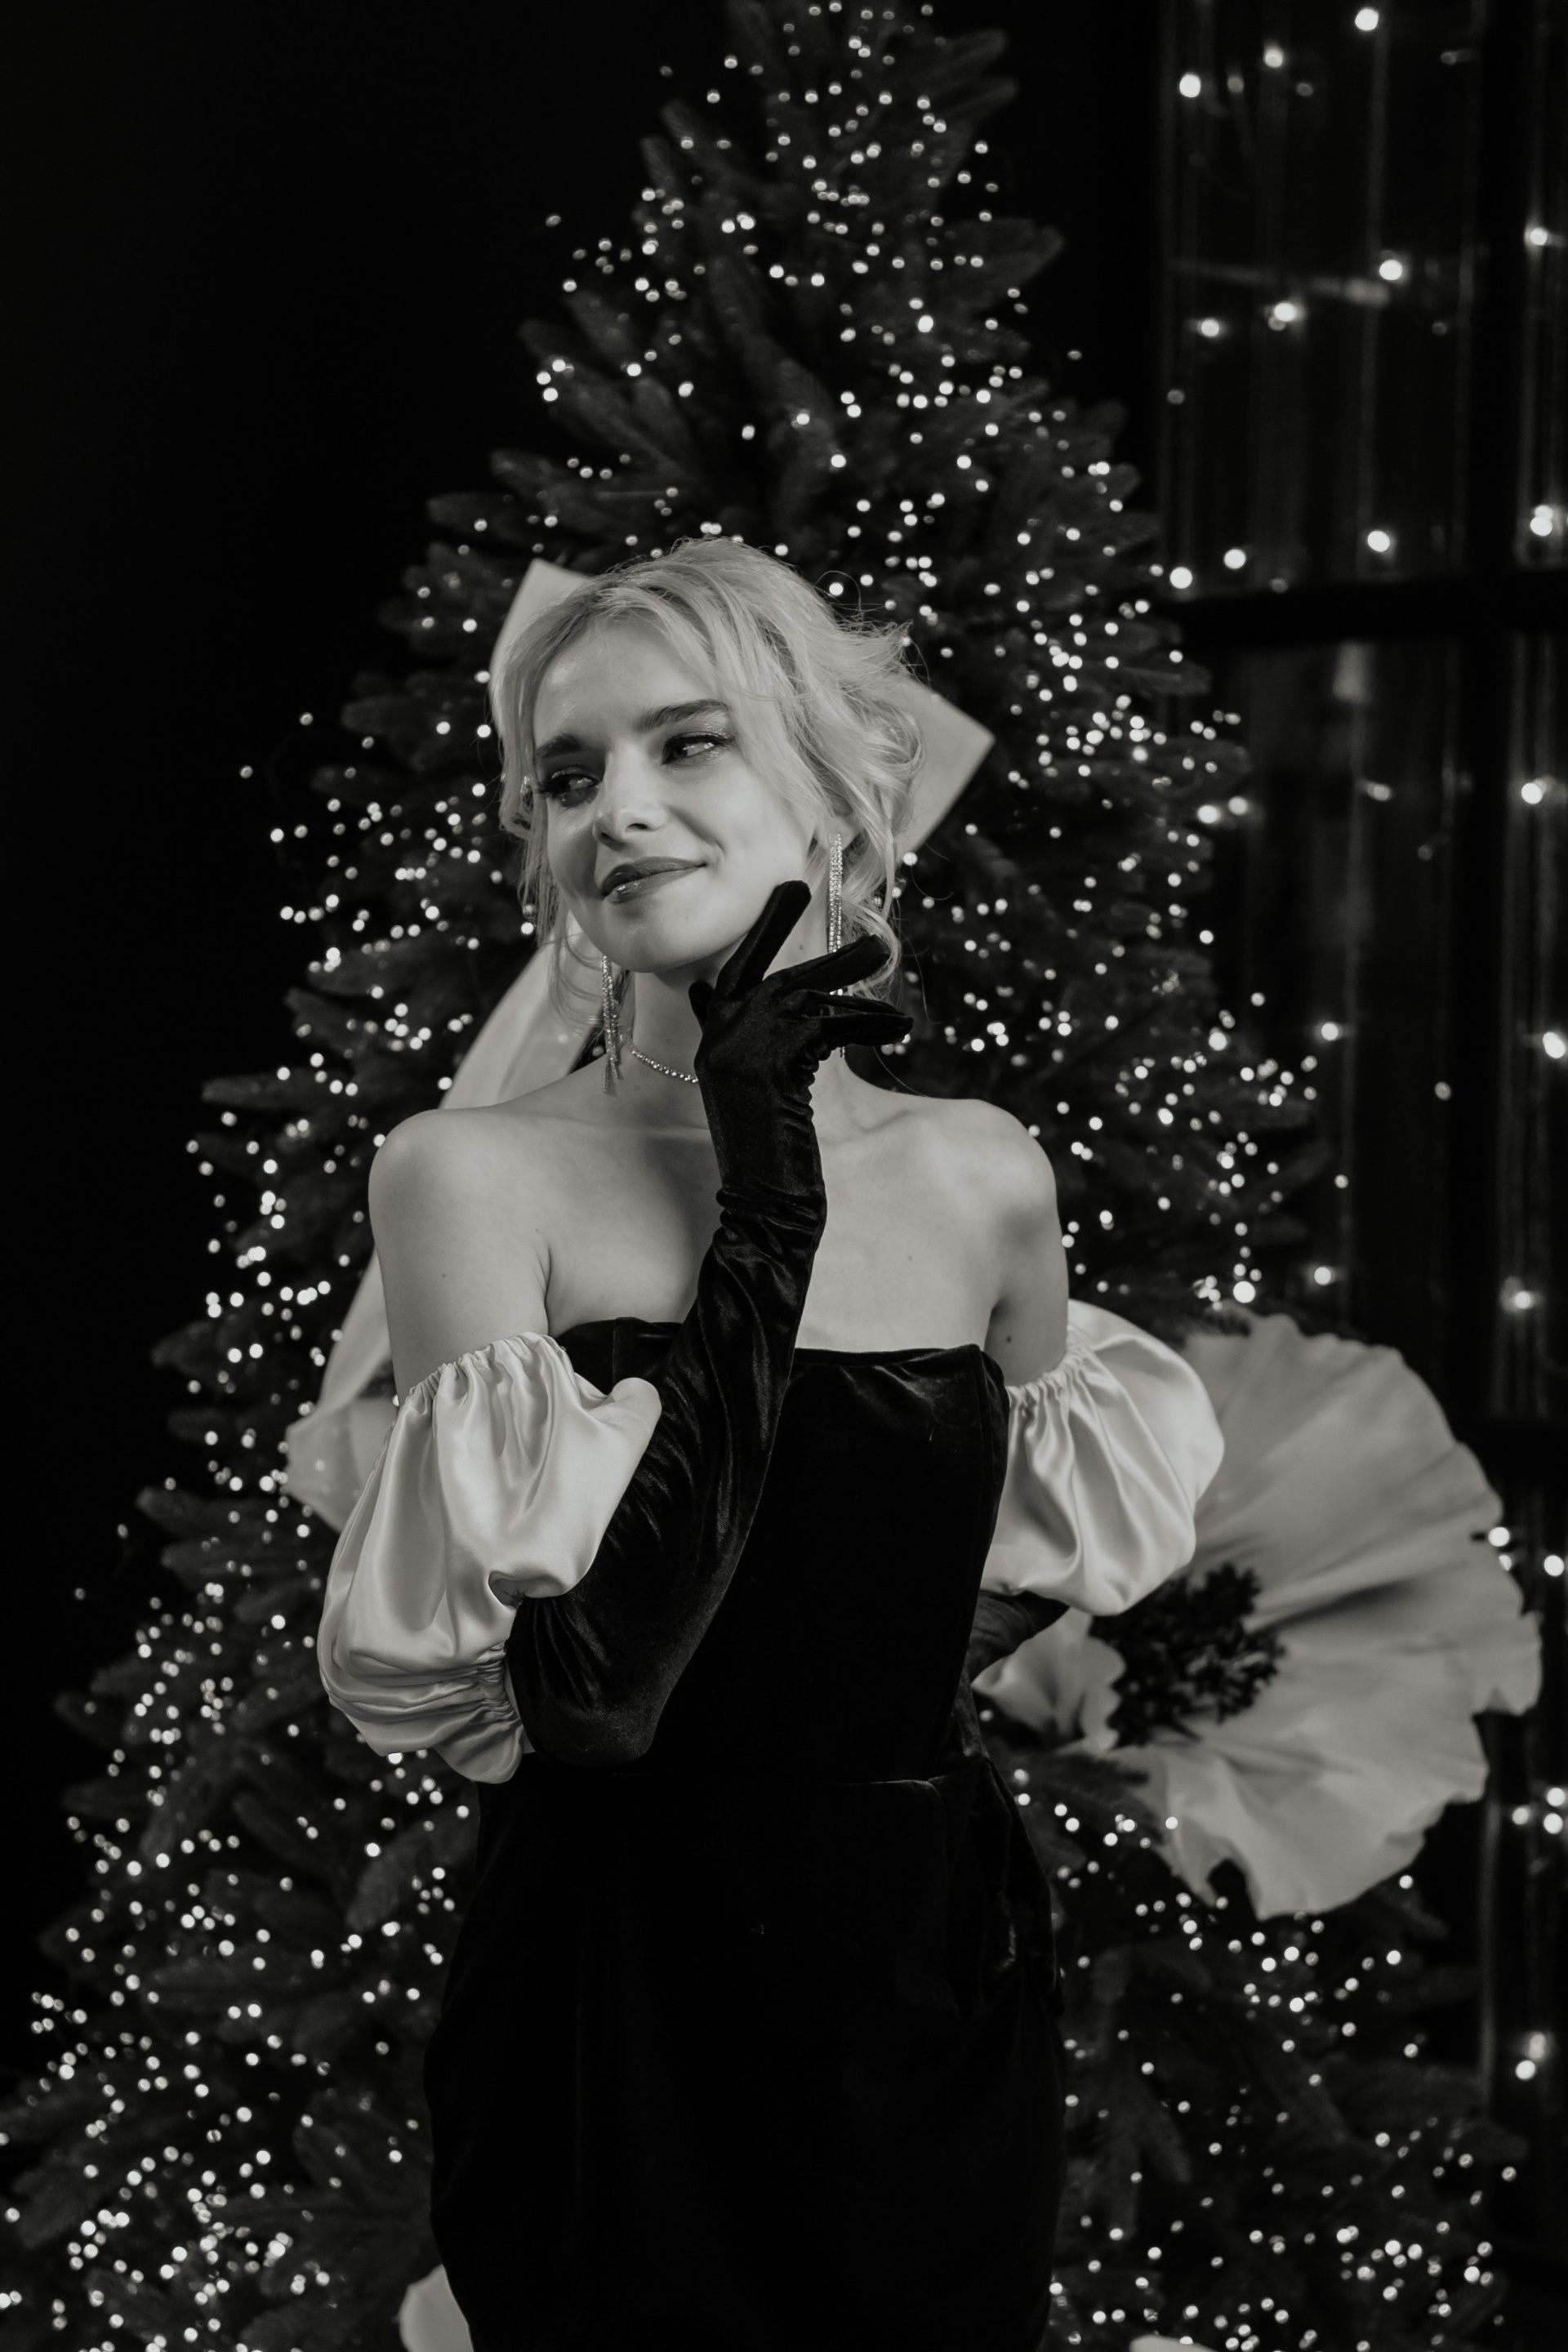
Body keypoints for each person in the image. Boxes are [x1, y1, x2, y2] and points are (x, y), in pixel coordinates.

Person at [318, 541, 1223, 2352]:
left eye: (688, 745)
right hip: (618, 2018)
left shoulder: (983, 1172)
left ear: (830, 787)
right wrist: (770, 1197)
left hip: (921, 2007)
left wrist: (864, 1740)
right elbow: (596, 1698)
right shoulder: (466, 1177)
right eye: (569, 776)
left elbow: (1016, 1560)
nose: (620, 810)